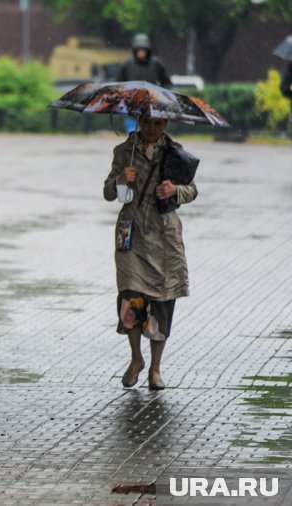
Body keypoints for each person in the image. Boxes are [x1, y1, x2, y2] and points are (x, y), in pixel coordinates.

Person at [102, 115, 197, 390]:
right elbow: (108, 192)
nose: (151, 129)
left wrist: (175, 190)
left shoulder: (176, 153)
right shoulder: (124, 151)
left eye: (157, 124)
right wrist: (121, 179)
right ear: (139, 122)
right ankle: (136, 359)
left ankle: (155, 369)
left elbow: (193, 190)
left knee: (162, 300)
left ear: (165, 124)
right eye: (146, 123)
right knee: (130, 297)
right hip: (131, 234)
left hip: (164, 237)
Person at [117, 33, 172, 134]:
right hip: (131, 106)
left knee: (150, 133)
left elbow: (167, 83)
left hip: (151, 106)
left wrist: (160, 95)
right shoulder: (126, 65)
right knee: (132, 133)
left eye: (143, 50)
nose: (141, 53)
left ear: (147, 51)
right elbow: (119, 84)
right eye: (139, 50)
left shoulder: (156, 65)